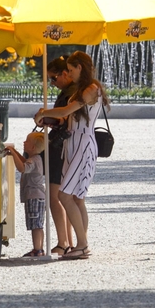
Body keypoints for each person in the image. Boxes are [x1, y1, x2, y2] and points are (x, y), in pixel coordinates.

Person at [34, 51, 109, 260]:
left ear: (80, 68)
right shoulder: (82, 89)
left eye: (70, 69)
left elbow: (66, 111)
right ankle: (80, 244)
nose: (67, 73)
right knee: (77, 198)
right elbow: (67, 118)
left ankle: (83, 245)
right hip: (73, 143)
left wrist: (44, 113)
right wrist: (47, 117)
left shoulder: (91, 89)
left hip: (83, 143)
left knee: (64, 195)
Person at [42, 56, 76, 257]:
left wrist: (46, 116)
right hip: (66, 146)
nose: (52, 84)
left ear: (65, 73)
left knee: (55, 196)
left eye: (54, 79)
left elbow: (64, 119)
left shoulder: (70, 94)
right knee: (68, 196)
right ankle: (69, 241)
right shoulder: (74, 92)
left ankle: (63, 241)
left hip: (59, 146)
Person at [5, 132, 47, 257]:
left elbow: (22, 167)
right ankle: (39, 248)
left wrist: (13, 153)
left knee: (36, 225)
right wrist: (15, 153)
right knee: (38, 224)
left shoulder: (34, 160)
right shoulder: (35, 158)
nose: (24, 142)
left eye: (26, 141)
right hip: (37, 196)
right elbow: (24, 161)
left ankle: (37, 249)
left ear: (33, 147)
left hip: (34, 196)